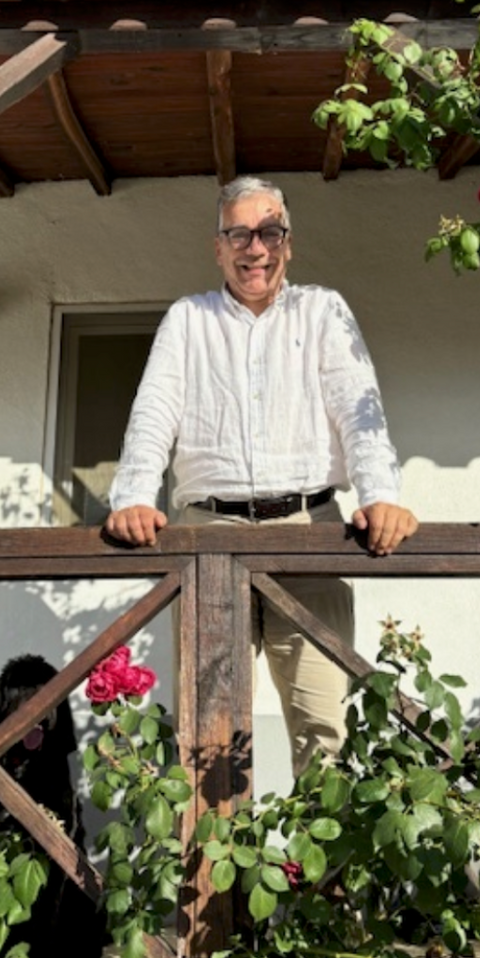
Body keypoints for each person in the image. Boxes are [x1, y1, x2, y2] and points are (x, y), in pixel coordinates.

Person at [103, 176, 419, 776]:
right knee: (208, 733)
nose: (257, 248)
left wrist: (381, 497)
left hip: (311, 533)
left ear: (289, 243)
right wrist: (134, 499)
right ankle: (217, 870)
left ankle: (321, 873)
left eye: (270, 232)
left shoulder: (324, 310)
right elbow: (152, 416)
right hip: (206, 537)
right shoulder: (187, 320)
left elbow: (360, 409)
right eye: (240, 234)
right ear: (217, 247)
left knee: (323, 730)